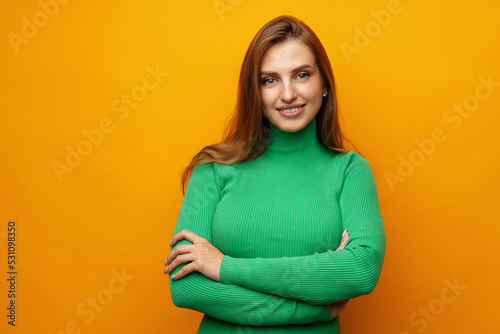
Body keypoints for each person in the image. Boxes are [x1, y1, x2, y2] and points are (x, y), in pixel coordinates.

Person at [164, 15, 386, 333]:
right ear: (254, 91)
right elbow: (187, 288)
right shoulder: (212, 168)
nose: (288, 94)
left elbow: (361, 269)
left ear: (324, 84)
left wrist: (224, 266)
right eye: (270, 80)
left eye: (302, 75)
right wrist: (312, 310)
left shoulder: (349, 171)